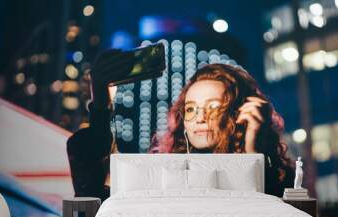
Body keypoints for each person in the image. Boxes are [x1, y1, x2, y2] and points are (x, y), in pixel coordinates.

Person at [66, 50, 294, 201]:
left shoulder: (278, 175)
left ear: (240, 113)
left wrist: (252, 148)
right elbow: (94, 192)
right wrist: (100, 103)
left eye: (214, 107)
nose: (199, 117)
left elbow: (269, 207)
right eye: (191, 108)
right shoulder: (161, 170)